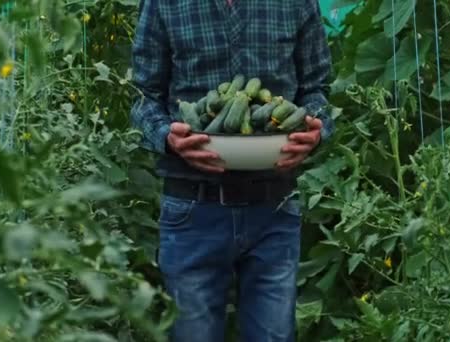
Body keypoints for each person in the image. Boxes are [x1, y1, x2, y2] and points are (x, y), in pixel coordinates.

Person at [129, 0, 335, 341]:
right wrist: (167, 136)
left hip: (275, 208)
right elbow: (142, 96)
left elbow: (316, 90)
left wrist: (316, 128)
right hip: (192, 209)